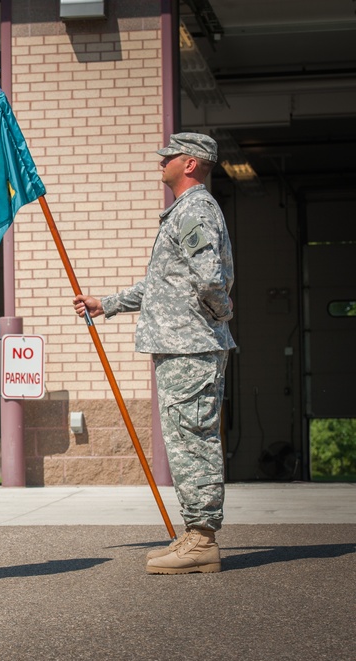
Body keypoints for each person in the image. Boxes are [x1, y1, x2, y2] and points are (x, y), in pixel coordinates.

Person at [73, 132, 235, 575]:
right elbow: (164, 285)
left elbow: (208, 278)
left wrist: (221, 313)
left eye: (168, 157)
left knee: (192, 438)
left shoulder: (196, 210)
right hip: (182, 345)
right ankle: (196, 532)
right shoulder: (184, 212)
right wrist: (107, 303)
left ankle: (202, 540)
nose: (160, 162)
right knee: (184, 438)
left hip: (191, 345)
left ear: (189, 164)